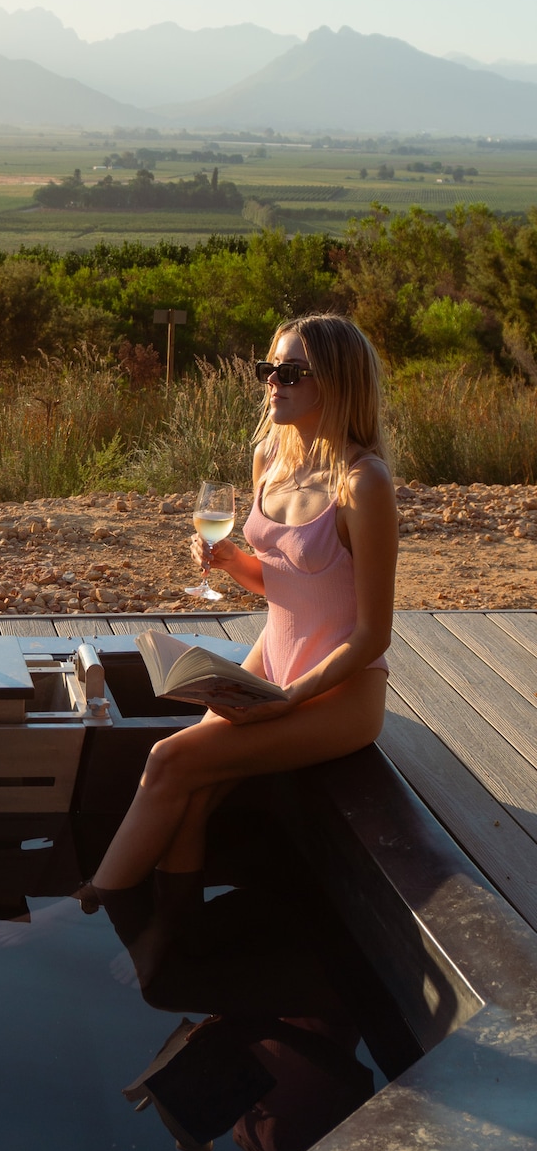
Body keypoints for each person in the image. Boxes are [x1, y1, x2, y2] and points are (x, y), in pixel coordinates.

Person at [78, 312, 396, 910]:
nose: (273, 382)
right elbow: (283, 581)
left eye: (291, 372)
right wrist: (227, 559)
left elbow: (373, 634)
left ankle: (91, 903)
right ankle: (172, 930)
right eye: (268, 369)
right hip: (271, 663)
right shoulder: (271, 458)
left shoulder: (363, 482)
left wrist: (291, 698)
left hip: (340, 694)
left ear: (338, 380)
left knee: (169, 758)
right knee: (194, 788)